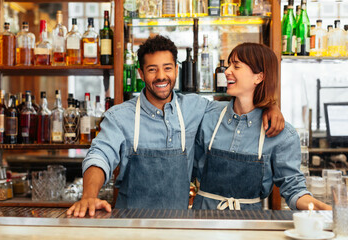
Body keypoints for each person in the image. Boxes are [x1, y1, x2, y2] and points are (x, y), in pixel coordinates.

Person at [67, 36, 285, 217]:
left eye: (167, 68)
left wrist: (270, 106)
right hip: (131, 227)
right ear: (141, 73)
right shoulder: (119, 116)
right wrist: (89, 195)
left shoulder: (196, 107)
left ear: (176, 70)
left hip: (179, 226)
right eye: (152, 70)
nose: (161, 76)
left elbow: (241, 109)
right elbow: (100, 155)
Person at [192, 42, 331, 211]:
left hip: (250, 226)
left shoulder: (282, 134)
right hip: (203, 223)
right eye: (229, 65)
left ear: (259, 77)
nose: (227, 71)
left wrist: (324, 209)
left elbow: (293, 188)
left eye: (236, 66)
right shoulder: (208, 116)